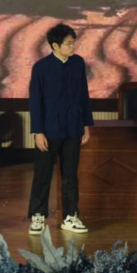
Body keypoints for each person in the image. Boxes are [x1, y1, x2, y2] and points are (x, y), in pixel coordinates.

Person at [27, 23, 93, 235]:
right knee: (43, 174)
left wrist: (85, 125)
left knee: (70, 175)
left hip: (73, 128)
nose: (73, 47)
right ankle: (38, 216)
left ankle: (70, 216)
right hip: (49, 129)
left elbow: (83, 95)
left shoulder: (78, 63)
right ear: (55, 46)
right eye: (68, 43)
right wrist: (38, 132)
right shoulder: (41, 67)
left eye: (73, 43)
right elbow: (35, 102)